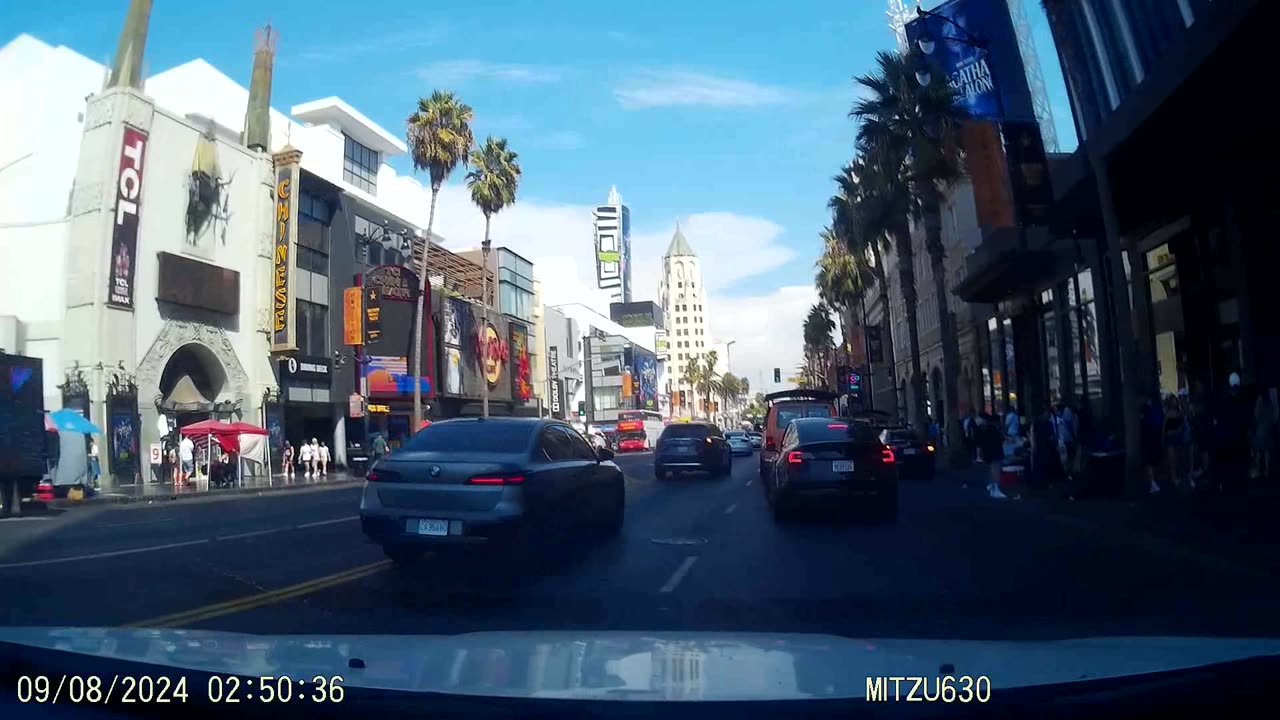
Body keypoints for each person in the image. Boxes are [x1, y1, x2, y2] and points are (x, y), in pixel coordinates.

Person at [1252, 390, 1275, 480]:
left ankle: (1258, 469)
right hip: (1268, 431)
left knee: (1258, 451)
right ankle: (1266, 470)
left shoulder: (1259, 403)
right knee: (1266, 451)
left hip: (1260, 431)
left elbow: (1256, 416)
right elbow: (1273, 418)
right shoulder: (1270, 405)